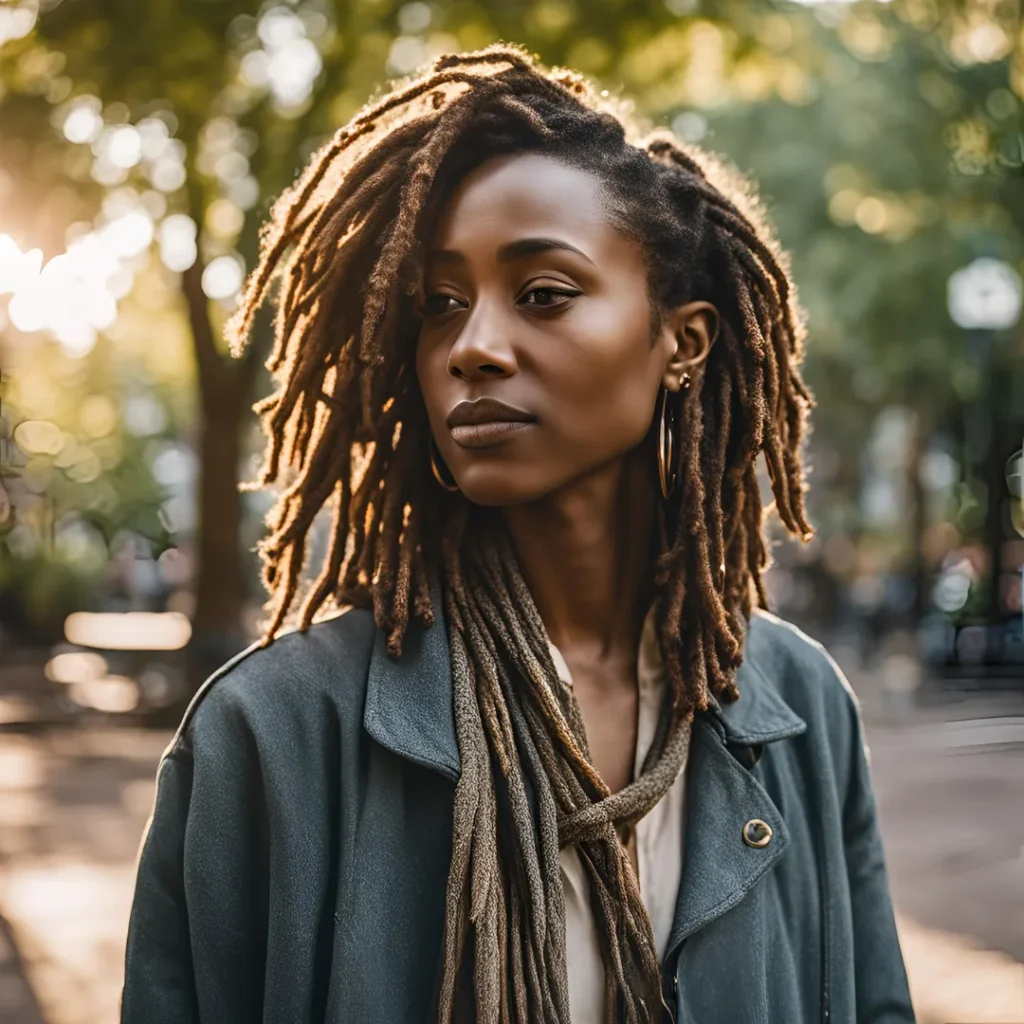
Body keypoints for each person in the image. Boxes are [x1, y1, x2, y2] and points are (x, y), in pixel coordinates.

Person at [121, 45, 915, 1024]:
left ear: (684, 342)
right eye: (438, 306)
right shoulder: (271, 733)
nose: (473, 347)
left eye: (542, 293)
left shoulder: (797, 708)